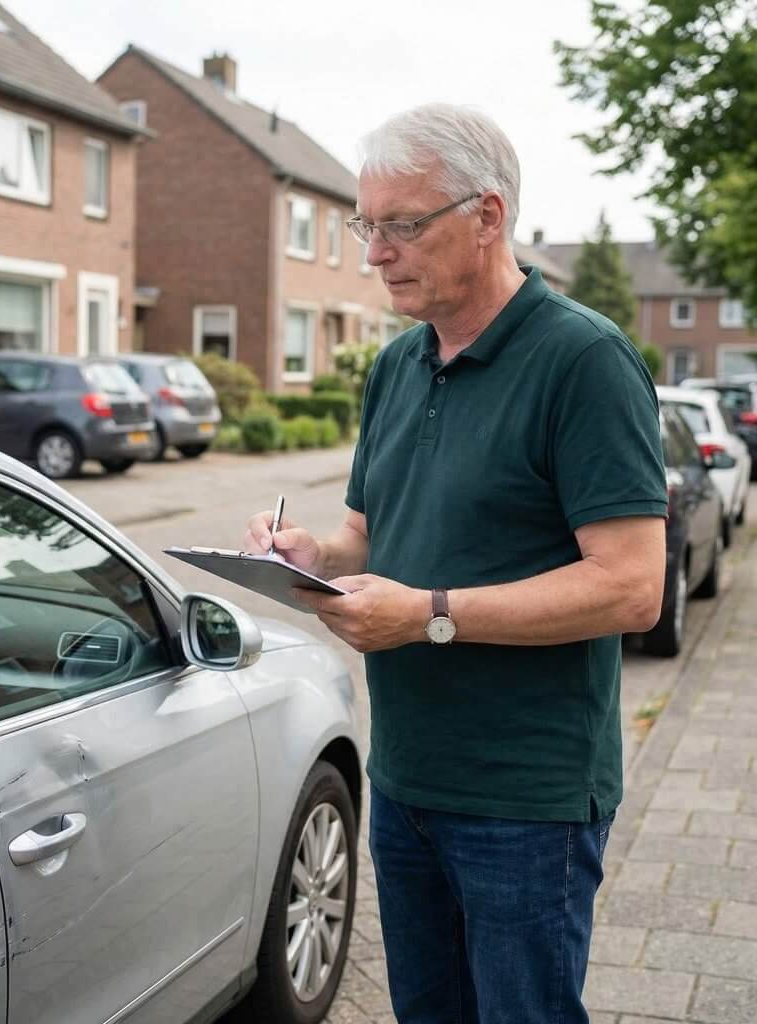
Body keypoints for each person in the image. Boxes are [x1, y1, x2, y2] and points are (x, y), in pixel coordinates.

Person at [244, 103, 667, 1023]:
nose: (374, 252)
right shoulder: (396, 366)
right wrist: (314, 554)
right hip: (403, 781)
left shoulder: (583, 361)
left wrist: (430, 613)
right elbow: (368, 531)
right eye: (368, 225)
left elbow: (633, 587)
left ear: (487, 217)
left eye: (402, 225)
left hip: (525, 799)